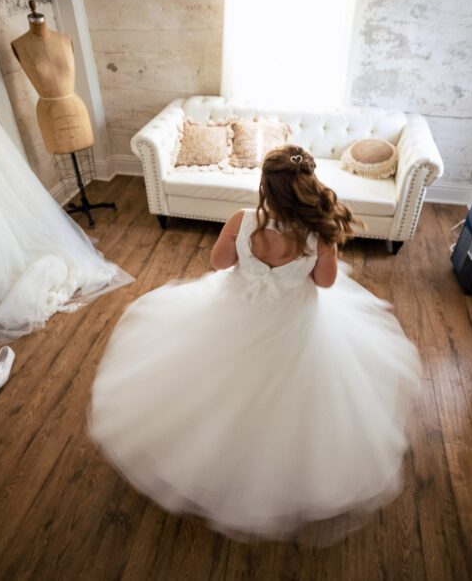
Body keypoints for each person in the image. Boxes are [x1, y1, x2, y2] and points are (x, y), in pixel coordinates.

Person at [88, 144, 421, 540]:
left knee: (216, 384)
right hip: (294, 326)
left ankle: (213, 461)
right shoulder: (317, 234)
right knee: (294, 398)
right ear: (306, 185)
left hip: (234, 315)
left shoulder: (242, 220)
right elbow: (326, 283)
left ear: (265, 187)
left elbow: (219, 263)